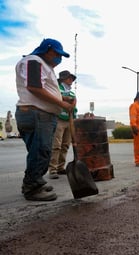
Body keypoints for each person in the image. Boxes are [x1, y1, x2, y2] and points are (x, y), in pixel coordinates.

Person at [15, 38, 74, 201]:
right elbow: (34, 87)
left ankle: (33, 182)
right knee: (41, 151)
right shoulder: (34, 61)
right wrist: (62, 103)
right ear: (47, 50)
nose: (59, 59)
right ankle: (33, 187)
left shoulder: (41, 65)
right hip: (38, 114)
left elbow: (43, 88)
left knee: (38, 152)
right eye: (57, 54)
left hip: (36, 113)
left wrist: (63, 97)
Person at [48, 70, 77, 179]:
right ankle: (53, 169)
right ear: (63, 79)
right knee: (56, 145)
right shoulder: (57, 89)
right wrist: (66, 99)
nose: (71, 80)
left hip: (69, 120)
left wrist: (73, 104)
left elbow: (74, 102)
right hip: (59, 119)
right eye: (69, 78)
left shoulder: (72, 92)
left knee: (65, 145)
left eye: (71, 79)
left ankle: (60, 167)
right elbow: (56, 97)